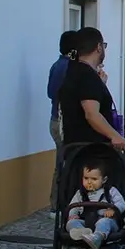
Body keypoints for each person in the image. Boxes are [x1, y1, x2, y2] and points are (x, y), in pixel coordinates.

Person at [58, 28, 125, 150]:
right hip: (91, 152)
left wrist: (100, 85)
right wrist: (115, 136)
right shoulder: (87, 76)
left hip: (76, 148)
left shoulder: (73, 72)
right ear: (99, 47)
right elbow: (91, 114)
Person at [65, 160, 125, 249]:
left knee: (103, 222)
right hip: (86, 222)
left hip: (107, 221)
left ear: (104, 180)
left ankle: (97, 237)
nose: (89, 182)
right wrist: (73, 215)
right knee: (70, 223)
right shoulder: (80, 193)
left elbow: (121, 203)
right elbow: (73, 206)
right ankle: (83, 233)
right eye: (86, 178)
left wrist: (113, 209)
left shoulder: (110, 191)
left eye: (94, 179)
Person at [47, 31, 77, 208]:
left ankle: (58, 203)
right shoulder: (68, 67)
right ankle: (58, 204)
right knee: (64, 164)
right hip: (62, 122)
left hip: (55, 120)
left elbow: (50, 93)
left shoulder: (56, 65)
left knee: (62, 162)